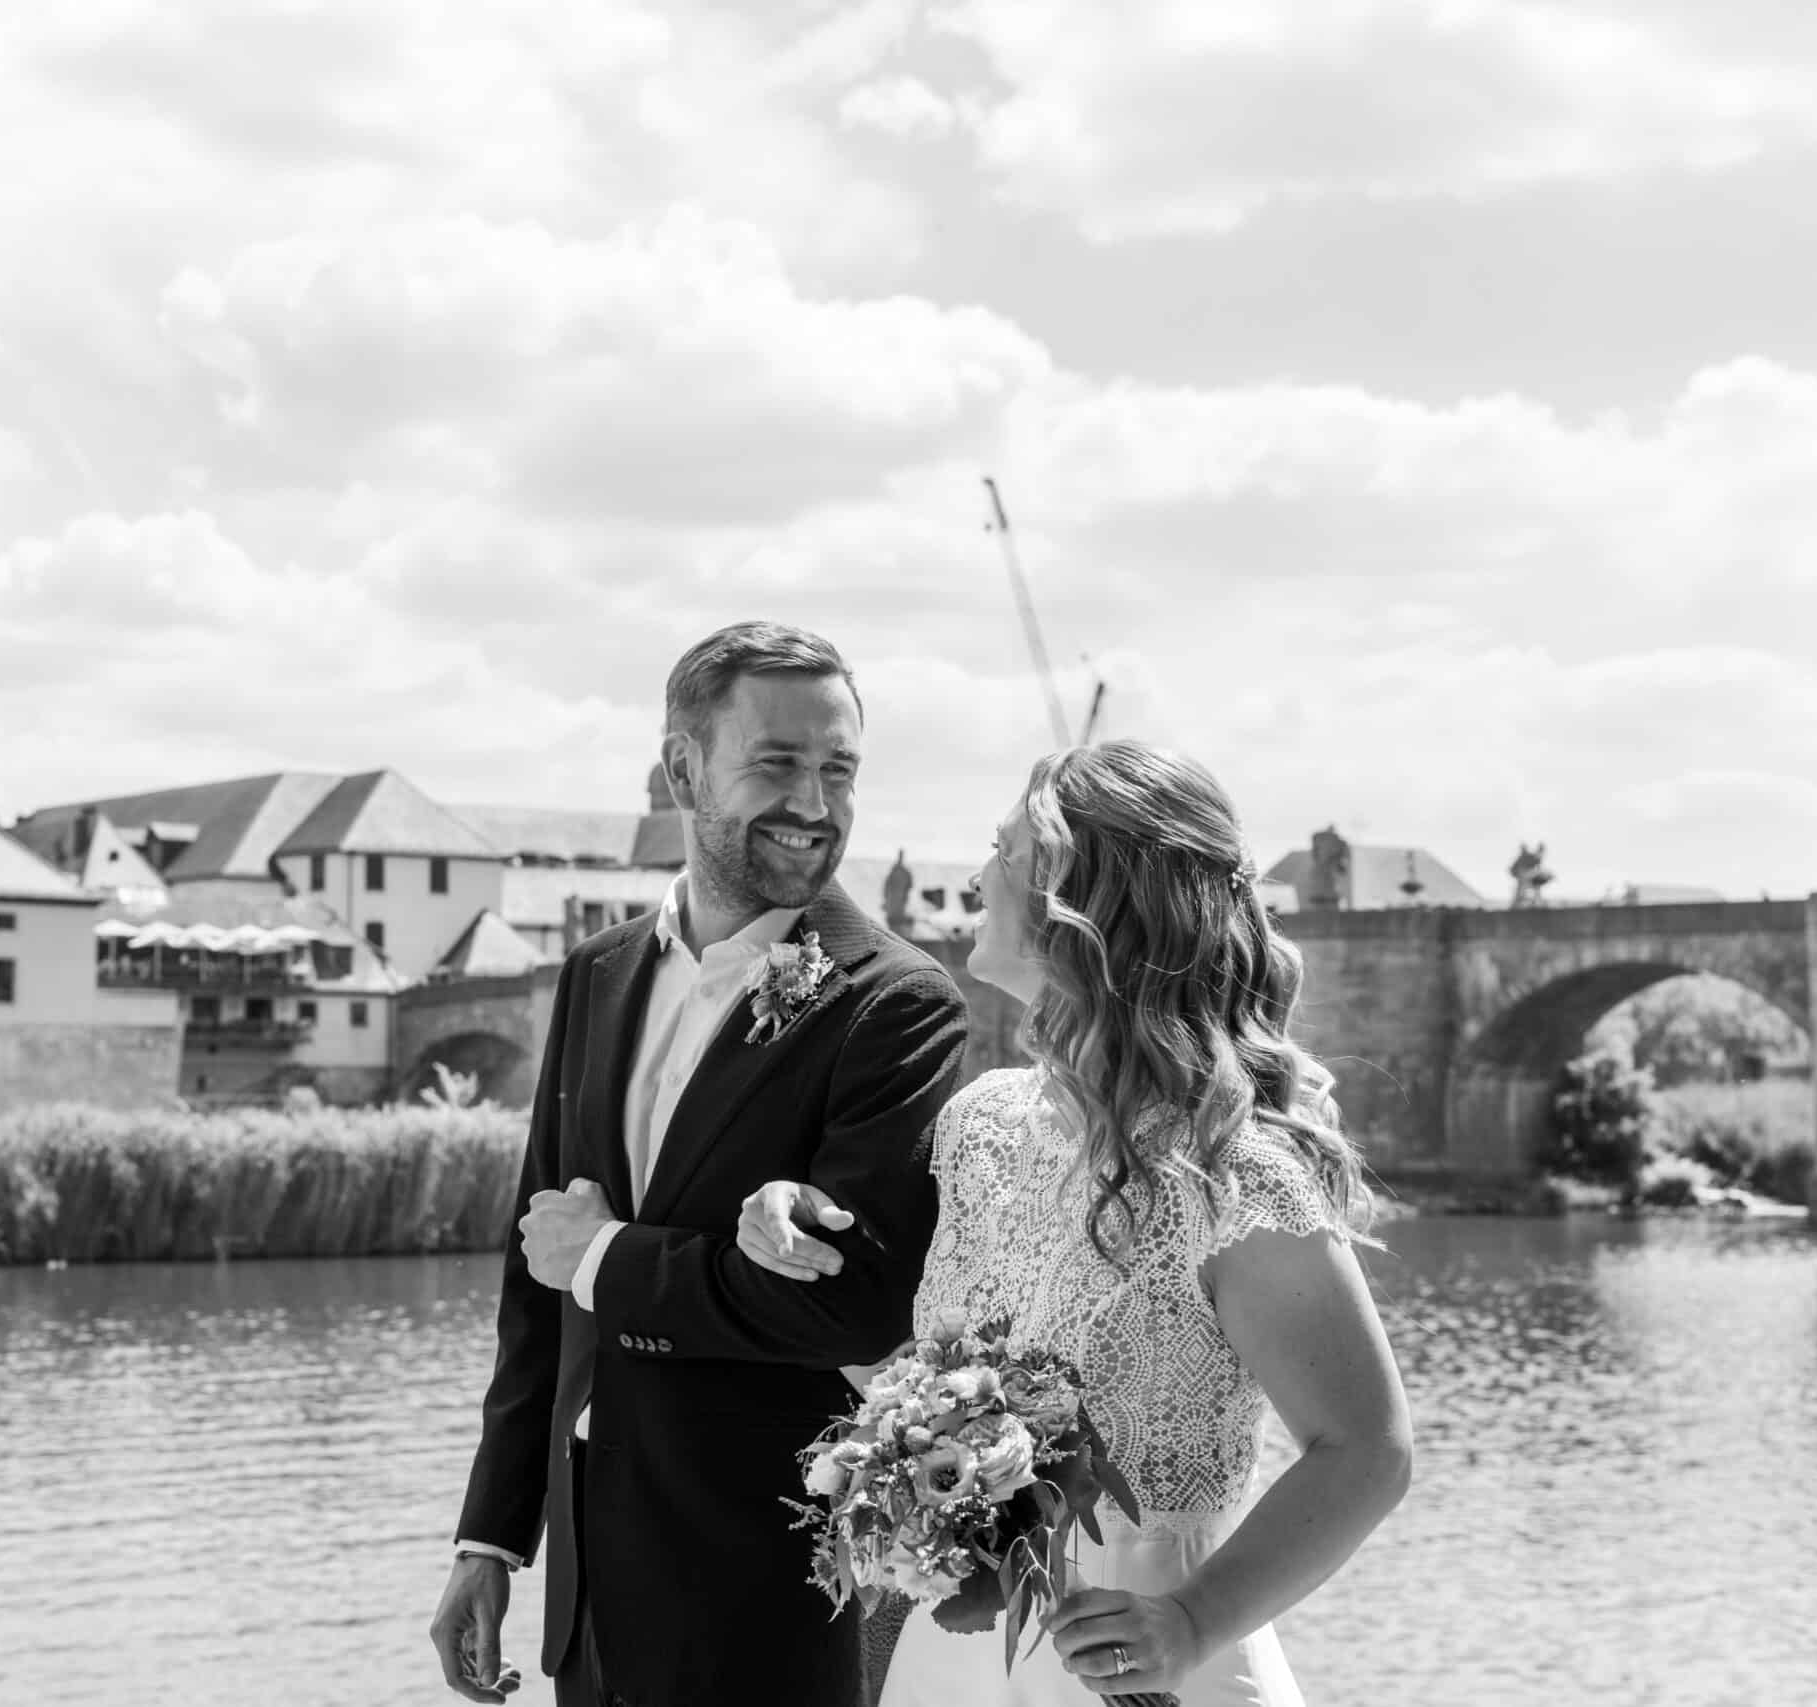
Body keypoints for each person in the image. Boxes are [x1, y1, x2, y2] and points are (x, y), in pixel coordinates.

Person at [738, 739, 1412, 1706]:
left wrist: (1191, 1621)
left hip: (1156, 1654)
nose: (978, 879)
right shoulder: (977, 1123)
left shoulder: (1235, 1175)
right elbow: (912, 1376)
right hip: (959, 1659)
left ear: (1083, 905)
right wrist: (793, 1235)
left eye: (1004, 854)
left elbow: (1369, 1448)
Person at [432, 621, 970, 1707]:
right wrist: (490, 1537)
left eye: (838, 770)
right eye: (777, 763)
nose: (814, 803)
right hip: (590, 1600)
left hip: (768, 1598)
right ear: (683, 768)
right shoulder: (596, 973)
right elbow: (536, 1280)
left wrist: (607, 1257)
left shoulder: (897, 1002)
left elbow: (851, 1309)